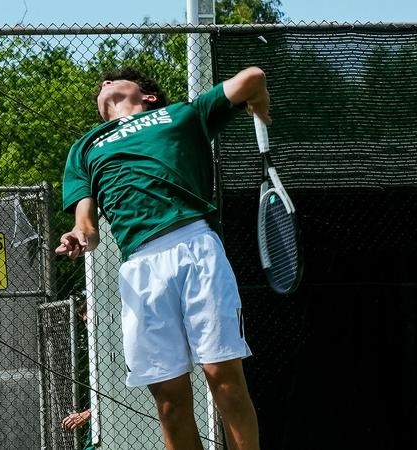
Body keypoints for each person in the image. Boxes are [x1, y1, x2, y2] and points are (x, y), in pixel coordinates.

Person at [56, 65, 269, 450]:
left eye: (113, 80)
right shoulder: (85, 147)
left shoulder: (182, 114)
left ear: (148, 96)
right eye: (101, 86)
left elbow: (252, 77)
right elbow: (87, 226)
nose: (103, 84)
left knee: (224, 378)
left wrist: (261, 105)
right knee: (169, 403)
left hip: (195, 247)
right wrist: (77, 236)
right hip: (140, 266)